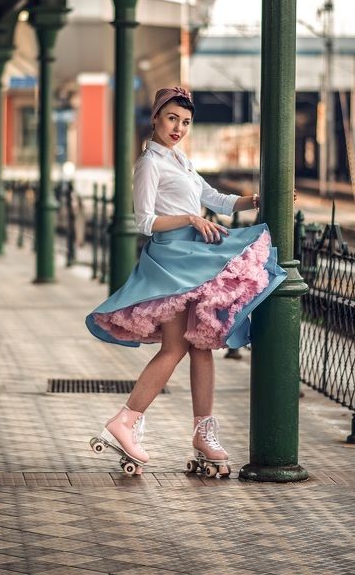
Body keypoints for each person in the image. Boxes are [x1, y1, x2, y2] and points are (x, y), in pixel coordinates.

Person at [86, 86, 288, 475]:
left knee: (201, 345)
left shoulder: (180, 160)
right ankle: (125, 421)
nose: (178, 128)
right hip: (172, 259)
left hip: (194, 256)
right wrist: (190, 219)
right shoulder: (149, 163)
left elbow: (218, 200)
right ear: (155, 119)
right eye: (172, 119)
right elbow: (144, 221)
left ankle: (202, 433)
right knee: (175, 346)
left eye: (186, 122)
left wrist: (257, 201)